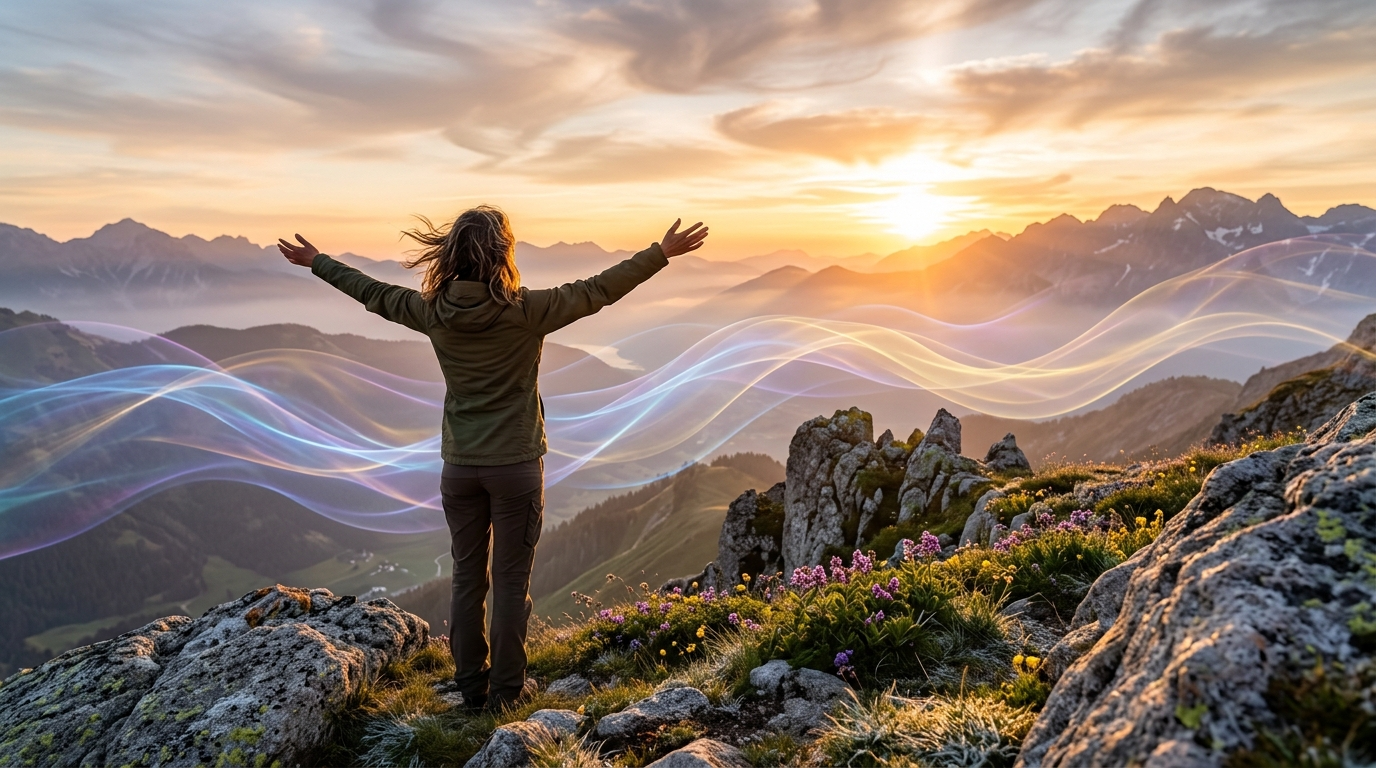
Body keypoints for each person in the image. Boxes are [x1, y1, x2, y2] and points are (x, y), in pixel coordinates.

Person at [277, 207, 707, 711]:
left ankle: (470, 687)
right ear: (503, 253)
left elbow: (372, 292)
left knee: (466, 578)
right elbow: (598, 290)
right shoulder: (526, 311)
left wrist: (318, 261)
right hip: (516, 468)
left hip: (460, 468)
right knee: (510, 584)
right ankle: (505, 693)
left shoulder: (432, 311)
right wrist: (660, 254)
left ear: (451, 254)